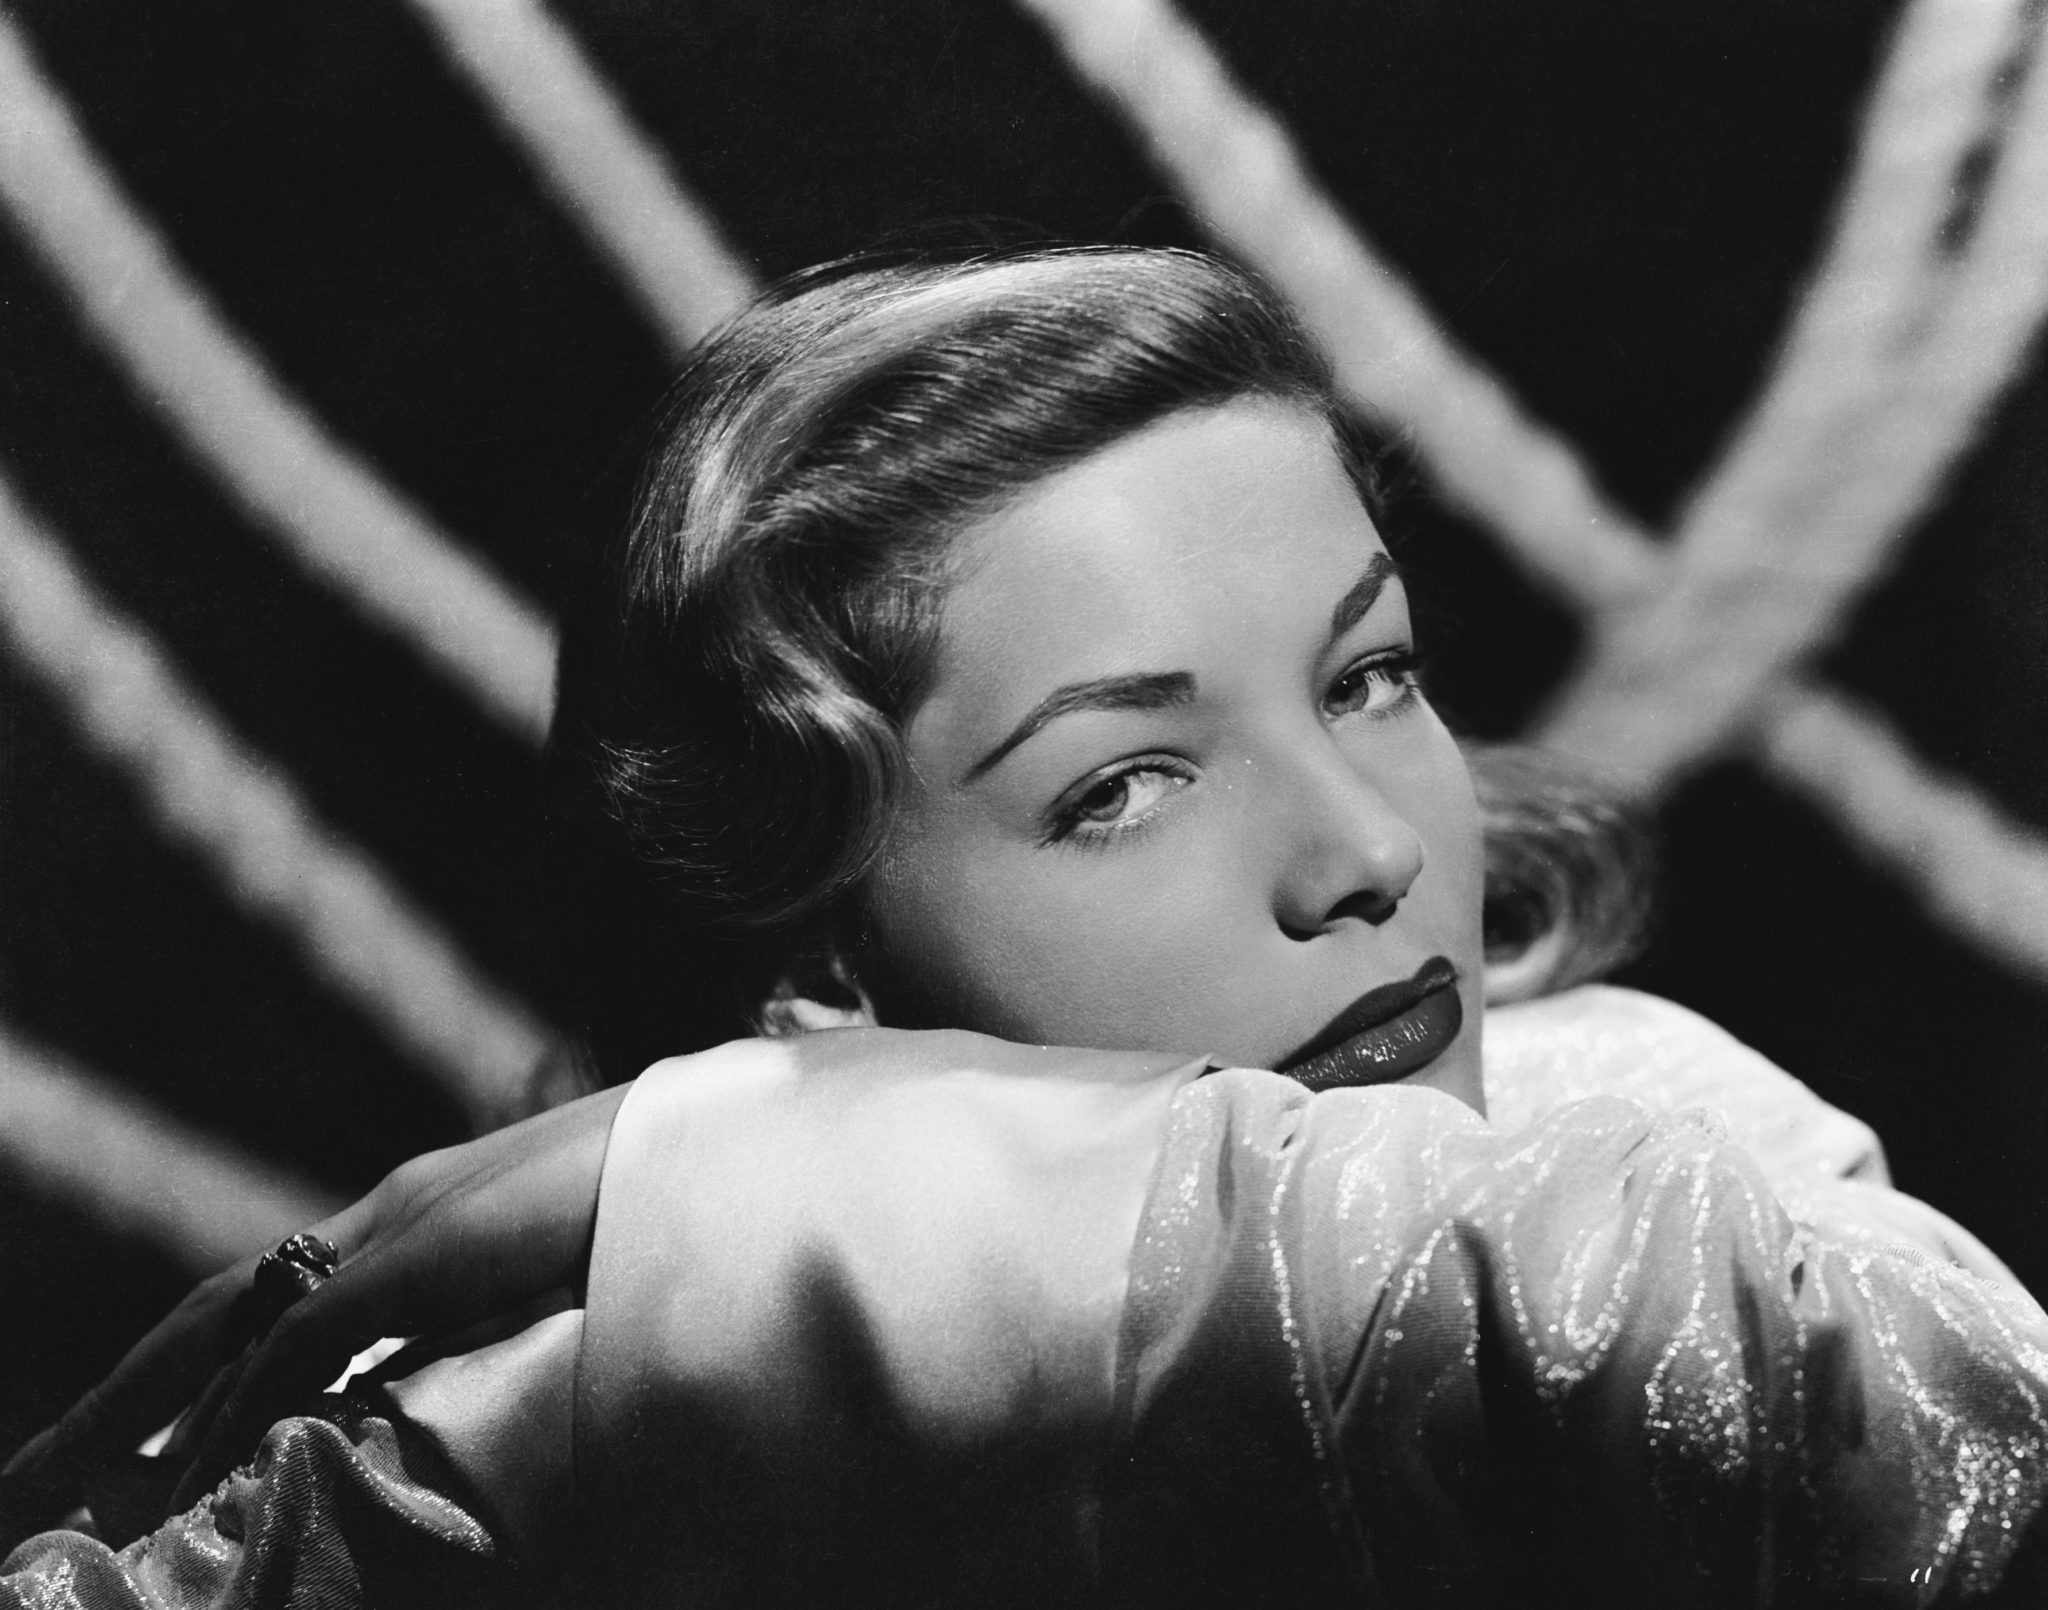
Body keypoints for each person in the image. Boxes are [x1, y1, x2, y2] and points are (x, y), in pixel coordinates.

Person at [5, 246, 2047, 1607]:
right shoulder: (522, 1464)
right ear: (822, 974)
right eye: (1121, 784)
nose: (1363, 850)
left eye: (1369, 677)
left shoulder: (1650, 1144)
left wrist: (819, 1196)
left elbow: (1946, 1453)